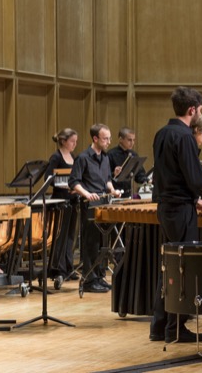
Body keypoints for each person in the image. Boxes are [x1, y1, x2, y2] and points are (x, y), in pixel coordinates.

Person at [150, 87, 202, 344]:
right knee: (183, 268)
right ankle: (176, 329)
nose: (201, 114)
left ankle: (159, 325)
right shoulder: (185, 137)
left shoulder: (161, 134)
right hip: (180, 211)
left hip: (166, 208)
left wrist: (197, 198)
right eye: (201, 110)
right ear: (192, 110)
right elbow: (194, 178)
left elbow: (172, 176)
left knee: (169, 267)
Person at [68, 123, 122, 293]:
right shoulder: (83, 158)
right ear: (95, 139)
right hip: (89, 205)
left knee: (102, 242)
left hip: (104, 203)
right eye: (105, 138)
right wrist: (87, 193)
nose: (109, 141)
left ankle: (99, 276)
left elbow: (106, 180)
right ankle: (89, 280)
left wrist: (113, 190)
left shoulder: (105, 158)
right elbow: (74, 182)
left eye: (109, 138)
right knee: (90, 242)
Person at [45, 128, 80, 282]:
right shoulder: (56, 157)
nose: (75, 144)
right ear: (64, 141)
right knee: (60, 236)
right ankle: (57, 269)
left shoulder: (72, 156)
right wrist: (64, 185)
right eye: (72, 141)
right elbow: (49, 178)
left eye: (76, 142)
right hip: (60, 200)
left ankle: (68, 266)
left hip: (72, 200)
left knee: (71, 236)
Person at [108, 127, 149, 198]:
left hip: (129, 194)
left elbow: (139, 175)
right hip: (115, 194)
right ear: (121, 139)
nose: (132, 143)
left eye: (134, 140)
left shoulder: (134, 154)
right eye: (129, 140)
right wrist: (114, 173)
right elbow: (106, 177)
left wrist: (147, 180)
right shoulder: (111, 154)